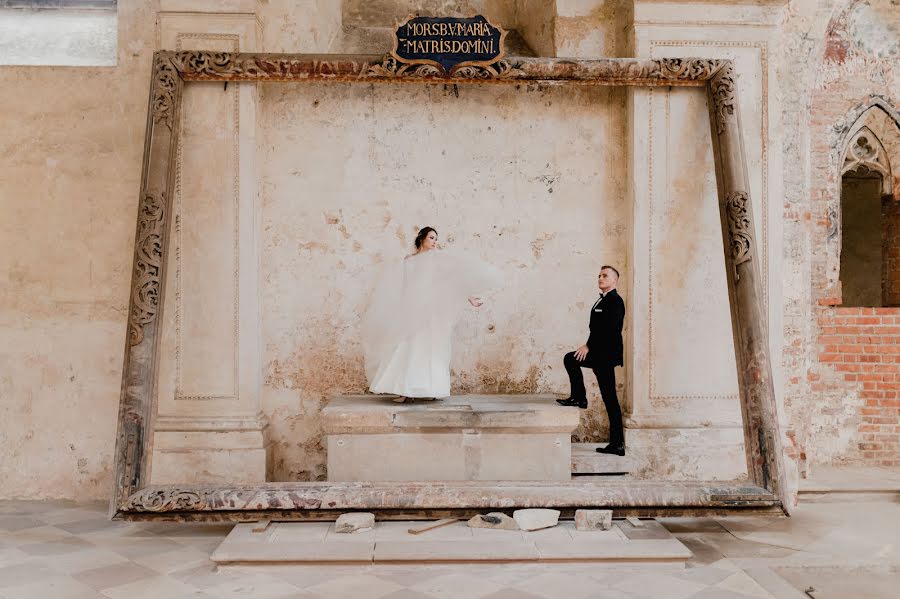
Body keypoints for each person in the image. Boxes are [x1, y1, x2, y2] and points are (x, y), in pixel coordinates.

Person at [362, 227, 501, 402]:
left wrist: (470, 298)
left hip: (432, 311)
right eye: (432, 238)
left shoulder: (437, 260)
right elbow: (404, 287)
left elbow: (453, 280)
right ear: (422, 239)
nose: (435, 242)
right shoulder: (409, 261)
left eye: (436, 239)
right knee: (407, 346)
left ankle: (428, 390)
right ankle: (403, 391)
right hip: (412, 308)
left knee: (429, 348)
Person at [557, 265, 626, 456]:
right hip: (598, 354)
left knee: (610, 399)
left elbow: (608, 330)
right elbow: (596, 329)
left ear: (614, 280)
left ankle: (618, 444)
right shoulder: (603, 299)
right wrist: (589, 345)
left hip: (604, 356)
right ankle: (579, 397)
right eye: (599, 275)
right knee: (570, 359)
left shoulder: (615, 301)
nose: (600, 278)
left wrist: (588, 347)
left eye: (605, 276)